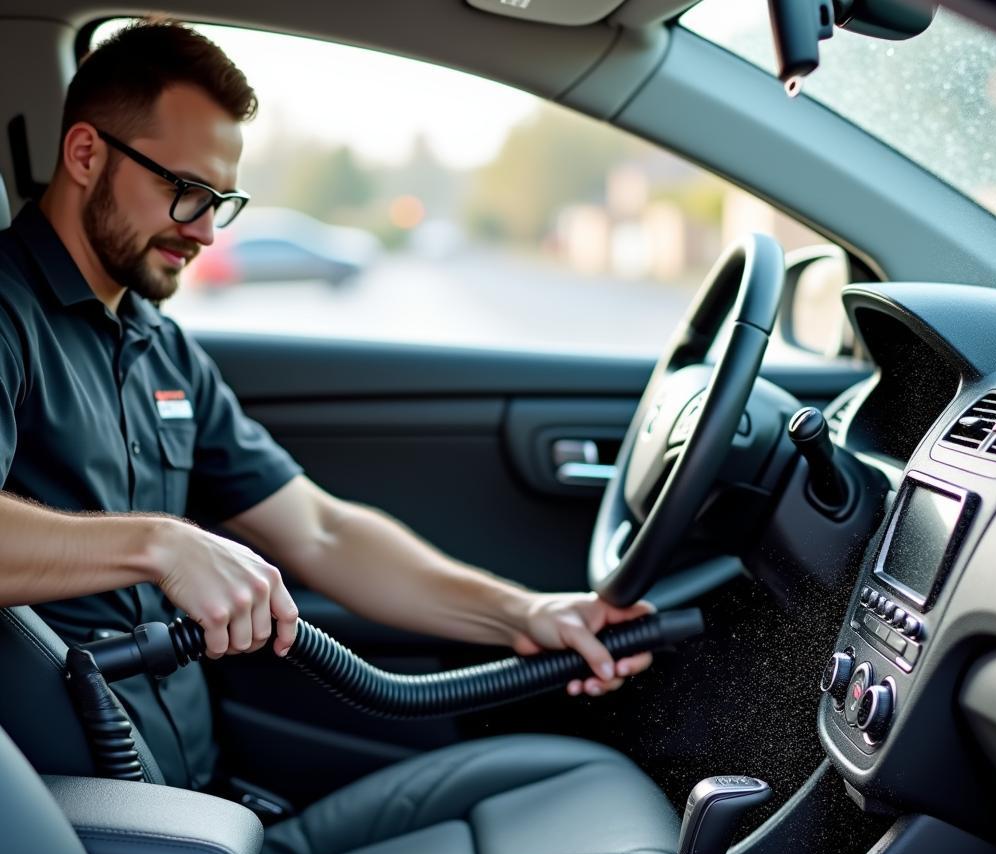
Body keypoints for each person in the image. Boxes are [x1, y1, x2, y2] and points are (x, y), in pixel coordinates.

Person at [0, 19, 655, 791]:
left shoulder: (159, 345)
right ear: (85, 155)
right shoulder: (9, 315)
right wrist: (161, 544)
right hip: (93, 826)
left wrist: (525, 615)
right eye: (183, 192)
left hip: (205, 807)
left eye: (223, 201)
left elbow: (320, 530)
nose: (207, 231)